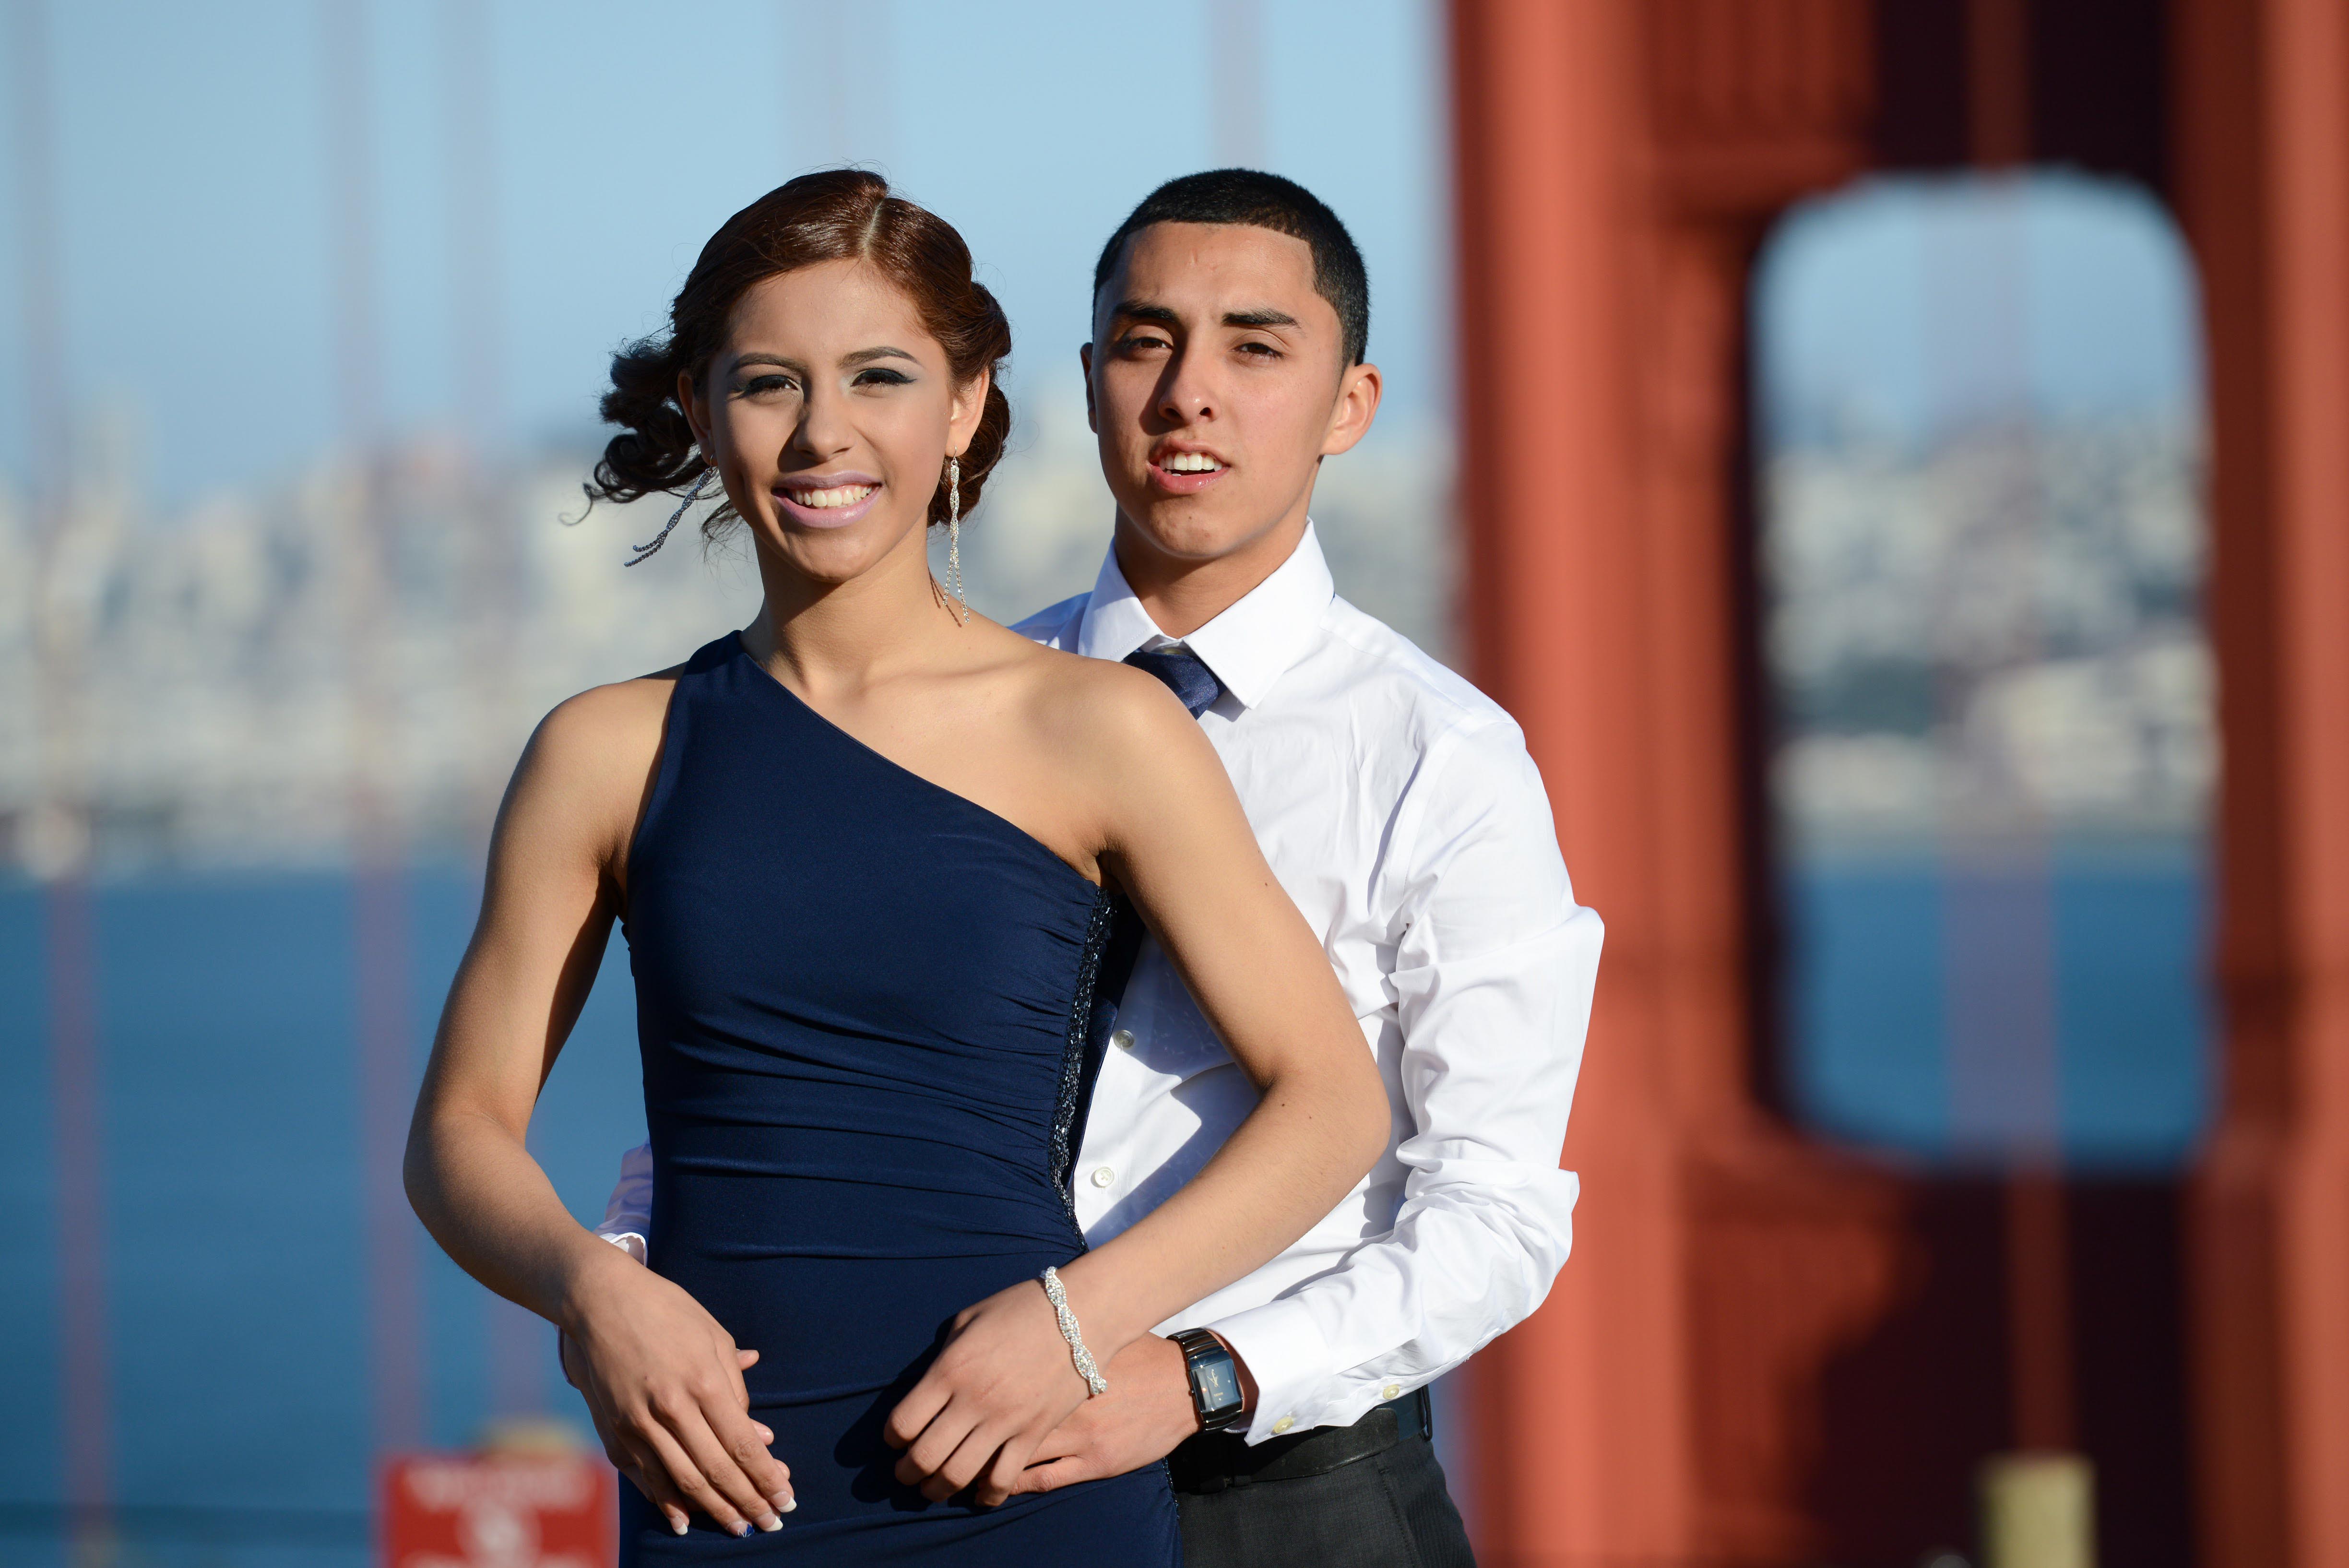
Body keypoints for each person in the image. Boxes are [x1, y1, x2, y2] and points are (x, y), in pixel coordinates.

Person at [584, 169, 1603, 1567]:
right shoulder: (957, 708)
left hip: (1285, 1494)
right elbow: (796, 1062)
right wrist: (622, 1275)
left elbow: (1498, 1212)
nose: (1190, 394)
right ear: (1081, 381)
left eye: (1256, 347)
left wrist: (1196, 1371)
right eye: (1145, 342)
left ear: (1349, 406)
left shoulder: (1444, 756)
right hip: (946, 1483)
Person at [403, 169, 1392, 1567]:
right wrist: (589, 1292)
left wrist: (1079, 1318)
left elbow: (1333, 1103)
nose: (824, 435)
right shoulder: (603, 752)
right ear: (699, 407)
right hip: (712, 1476)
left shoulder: (1100, 725)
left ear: (968, 402)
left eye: (879, 376)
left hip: (1023, 1467)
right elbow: (457, 1134)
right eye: (767, 384)